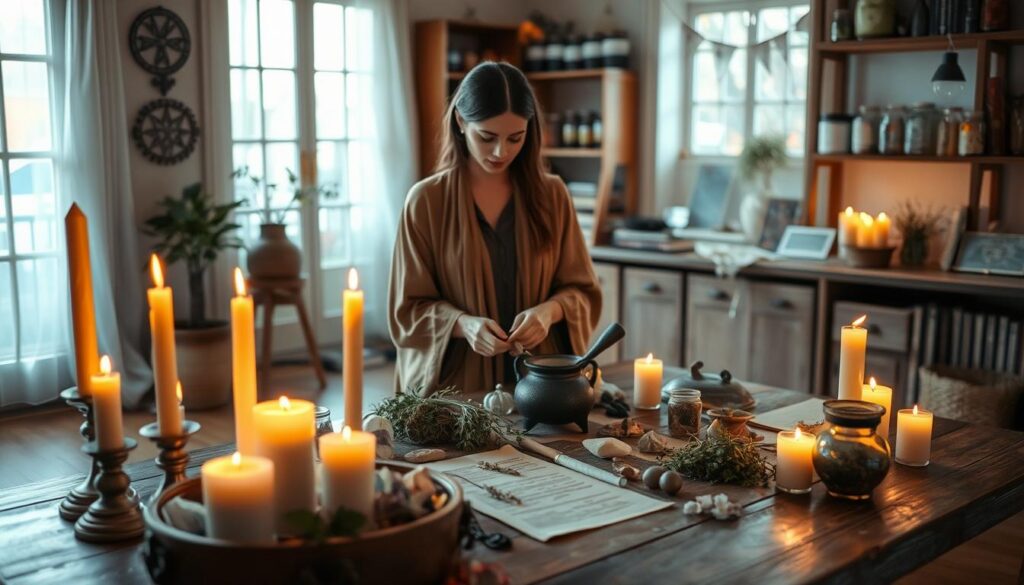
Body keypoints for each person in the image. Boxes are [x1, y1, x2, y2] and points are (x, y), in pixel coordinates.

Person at [388, 61, 602, 396]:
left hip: (542, 390)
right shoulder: (426, 201)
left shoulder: (552, 195)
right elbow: (407, 312)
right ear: (460, 121)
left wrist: (548, 313)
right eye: (487, 137)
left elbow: (582, 292)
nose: (501, 152)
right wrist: (462, 325)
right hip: (457, 396)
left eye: (515, 138)